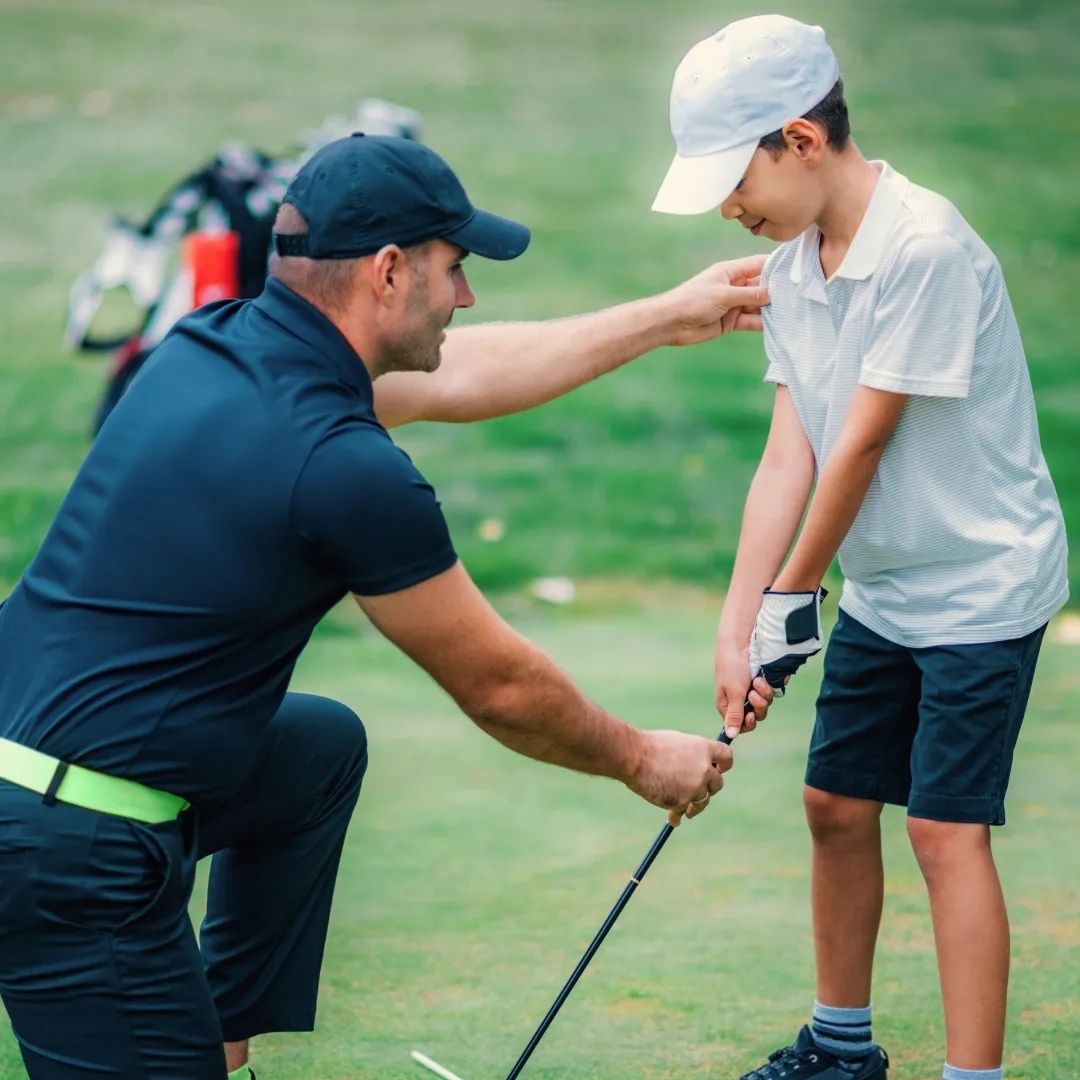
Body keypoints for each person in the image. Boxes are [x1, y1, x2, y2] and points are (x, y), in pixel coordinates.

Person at [0, 132, 776, 1079]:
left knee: (314, 748)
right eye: (457, 270)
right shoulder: (343, 468)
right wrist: (645, 758)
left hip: (44, 780)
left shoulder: (205, 348)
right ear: (389, 271)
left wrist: (666, 317)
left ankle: (218, 1036)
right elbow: (501, 688)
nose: (467, 296)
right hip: (65, 858)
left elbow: (471, 370)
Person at [652, 14, 1069, 1080]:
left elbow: (866, 443)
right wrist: (740, 620)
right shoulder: (795, 269)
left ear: (798, 137)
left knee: (942, 831)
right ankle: (842, 1050)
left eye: (733, 180)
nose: (729, 208)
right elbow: (791, 456)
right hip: (885, 587)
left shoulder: (923, 245)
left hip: (981, 582)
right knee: (834, 803)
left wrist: (795, 599)